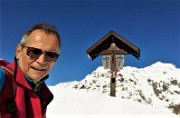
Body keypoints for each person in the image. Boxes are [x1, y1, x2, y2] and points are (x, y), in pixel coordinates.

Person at [0, 23, 61, 118]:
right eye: (34, 52)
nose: (42, 61)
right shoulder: (3, 78)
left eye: (51, 55)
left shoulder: (42, 93)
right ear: (18, 51)